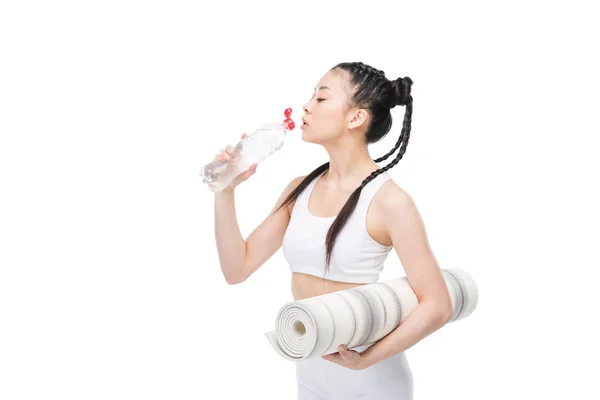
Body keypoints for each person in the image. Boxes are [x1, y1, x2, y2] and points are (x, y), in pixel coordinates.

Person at [213, 61, 453, 400]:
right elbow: (236, 269)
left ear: (356, 117)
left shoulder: (389, 201)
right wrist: (225, 189)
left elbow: (438, 305)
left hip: (371, 380)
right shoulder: (299, 189)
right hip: (310, 372)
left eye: (321, 98)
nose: (306, 106)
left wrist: (365, 360)